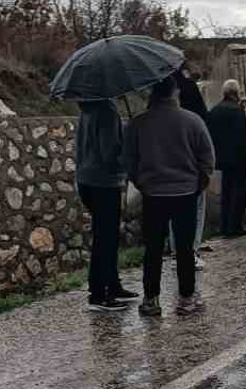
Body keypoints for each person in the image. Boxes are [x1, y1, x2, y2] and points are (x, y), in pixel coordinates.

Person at [124, 75, 215, 317]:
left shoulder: (138, 124)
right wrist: (198, 184)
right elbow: (207, 159)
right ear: (175, 92)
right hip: (185, 192)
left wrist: (141, 182)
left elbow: (129, 162)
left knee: (152, 248)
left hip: (153, 193)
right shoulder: (192, 121)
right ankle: (186, 299)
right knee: (184, 248)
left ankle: (151, 300)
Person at [75, 100, 136, 312]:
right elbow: (110, 153)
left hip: (86, 179)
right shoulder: (107, 110)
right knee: (107, 237)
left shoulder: (87, 109)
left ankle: (111, 285)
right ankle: (100, 294)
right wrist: (127, 145)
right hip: (104, 182)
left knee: (103, 235)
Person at [207, 79, 246, 238]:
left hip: (222, 157)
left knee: (226, 191)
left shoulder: (214, 111)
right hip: (237, 157)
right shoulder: (237, 111)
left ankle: (225, 225)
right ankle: (234, 226)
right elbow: (243, 136)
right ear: (236, 93)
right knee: (239, 191)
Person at [173, 66, 211, 268]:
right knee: (194, 209)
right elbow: (203, 122)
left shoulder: (157, 101)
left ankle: (175, 250)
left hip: (165, 168)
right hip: (190, 163)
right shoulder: (189, 92)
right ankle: (191, 250)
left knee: (171, 212)